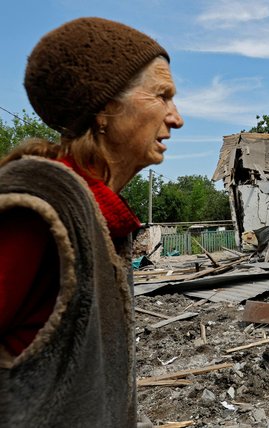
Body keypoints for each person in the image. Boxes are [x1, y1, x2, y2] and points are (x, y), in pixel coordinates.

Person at [0, 17, 183, 427]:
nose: (176, 118)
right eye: (162, 95)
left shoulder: (93, 213)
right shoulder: (39, 211)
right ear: (104, 108)